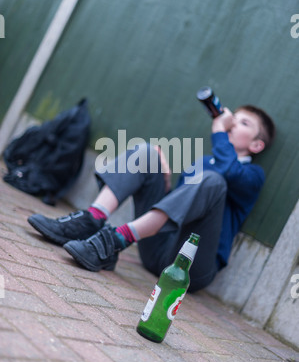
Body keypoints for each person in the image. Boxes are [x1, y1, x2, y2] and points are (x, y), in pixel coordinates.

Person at [28, 105, 275, 292]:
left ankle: (114, 240)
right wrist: (164, 182)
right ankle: (92, 219)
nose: (232, 124)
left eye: (243, 123)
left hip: (191, 267)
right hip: (156, 247)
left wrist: (219, 132)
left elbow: (229, 171)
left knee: (213, 181)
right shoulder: (204, 163)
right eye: (234, 120)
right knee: (148, 153)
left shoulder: (253, 176)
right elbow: (179, 208)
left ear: (256, 145)